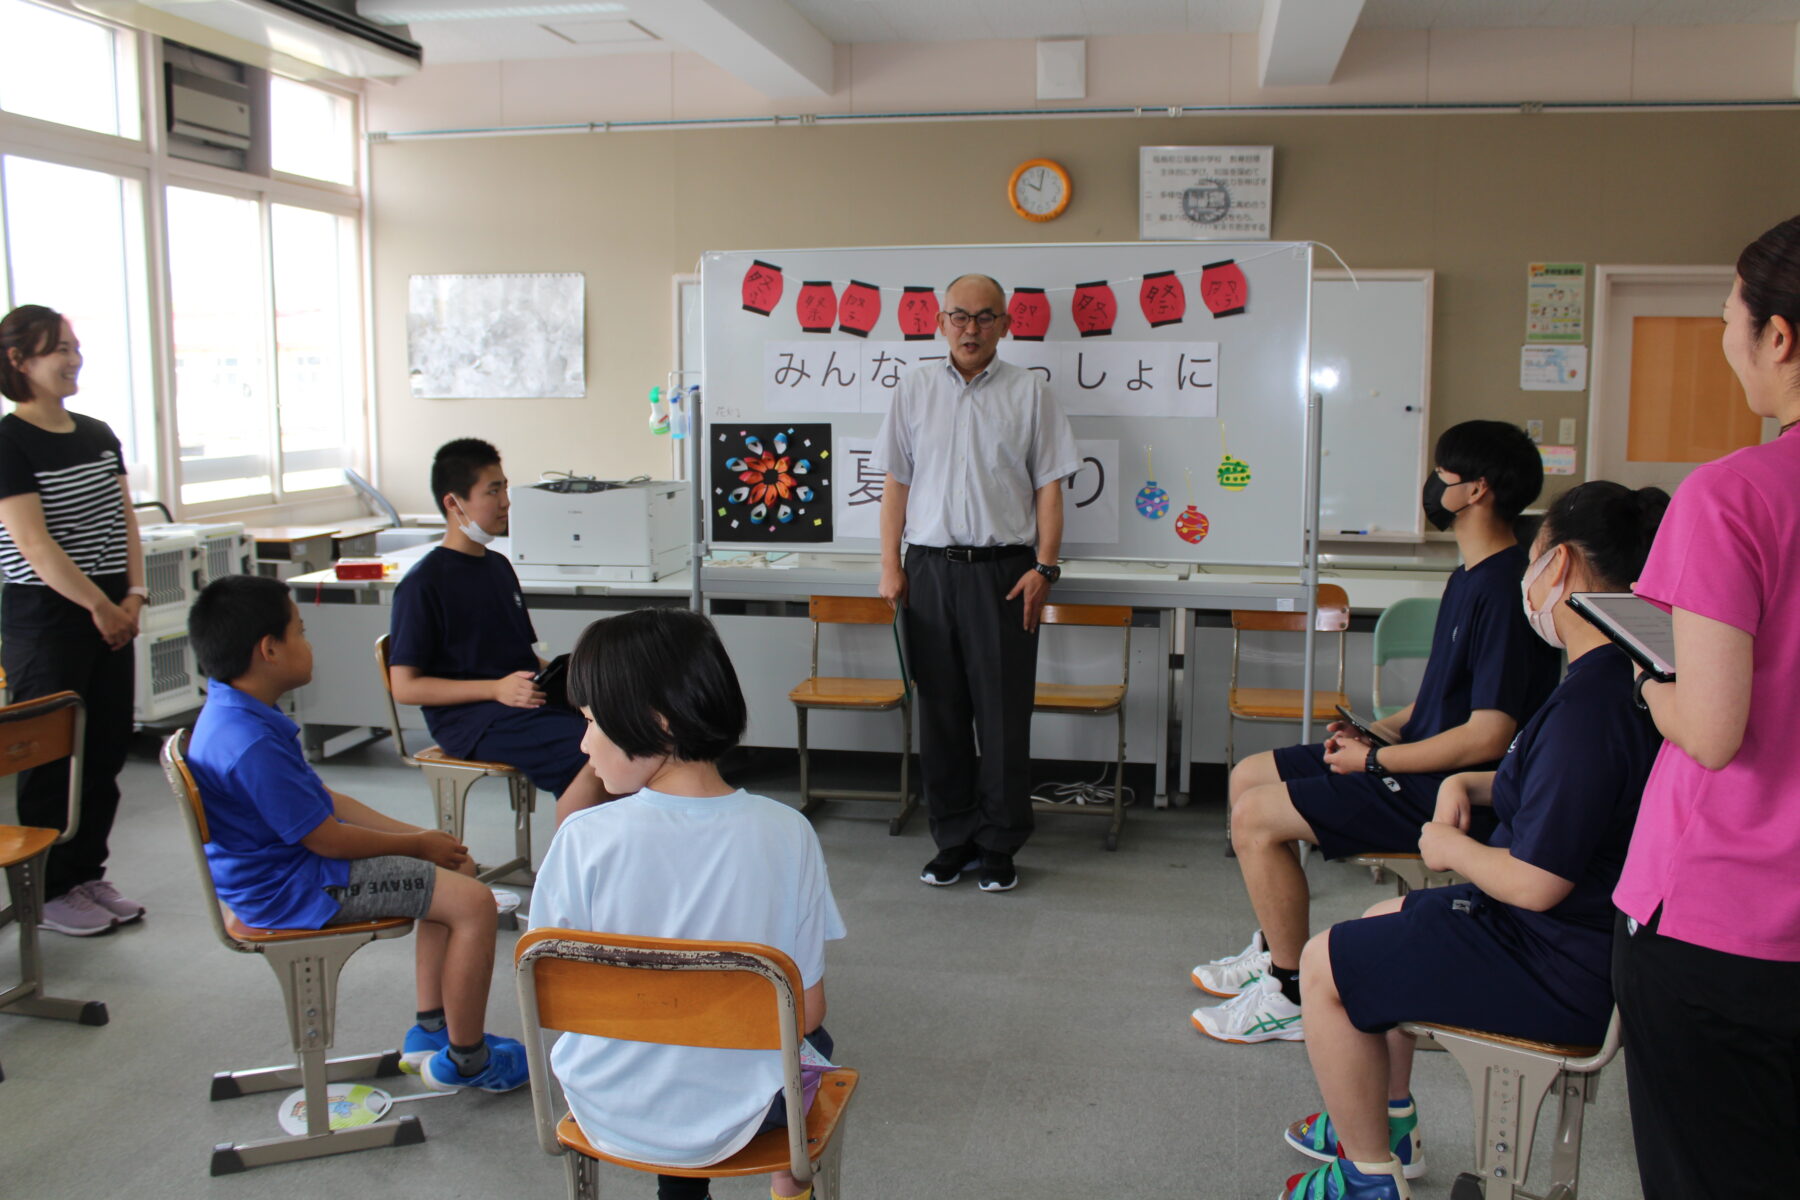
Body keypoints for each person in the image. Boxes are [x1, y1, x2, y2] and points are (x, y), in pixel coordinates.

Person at [1274, 480, 1667, 1200]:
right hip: (1566, 934)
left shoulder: (1591, 708)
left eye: (1538, 551)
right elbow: (1548, 784)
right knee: (1376, 922)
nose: (1529, 570)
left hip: (1556, 957)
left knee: (1324, 964)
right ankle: (1391, 1125)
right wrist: (1468, 786)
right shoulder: (1613, 677)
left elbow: (1535, 881)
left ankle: (1366, 1180)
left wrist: (1450, 849)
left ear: (1565, 566)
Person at [1193, 420, 1560, 1044]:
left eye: (1443, 472)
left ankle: (1287, 990)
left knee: (1256, 817)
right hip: (1415, 762)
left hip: (1450, 787)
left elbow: (1490, 734)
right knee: (1248, 776)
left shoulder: (1502, 590)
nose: (1431, 483)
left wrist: (1381, 764)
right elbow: (1440, 701)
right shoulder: (1468, 574)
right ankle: (1272, 945)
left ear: (1477, 491)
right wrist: (1375, 733)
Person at [529, 608, 845, 1200]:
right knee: (809, 1040)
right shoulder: (788, 832)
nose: (583, 742)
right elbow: (808, 1009)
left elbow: (550, 993)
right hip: (745, 1110)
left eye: (595, 722)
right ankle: (790, 1180)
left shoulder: (582, 838)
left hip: (608, 1101)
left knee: (660, 1036)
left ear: (655, 723)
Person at [1613, 214, 1800, 1200]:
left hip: (1724, 923)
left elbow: (1716, 730)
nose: (1726, 334)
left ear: (1780, 336)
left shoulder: (1735, 496)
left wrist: (1652, 684)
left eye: (1730, 310)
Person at [185, 575, 528, 1093]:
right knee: (475, 904)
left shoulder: (237, 712)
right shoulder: (248, 741)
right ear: (269, 650)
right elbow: (327, 839)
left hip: (289, 871)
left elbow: (324, 802)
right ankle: (467, 1057)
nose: (310, 643)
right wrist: (414, 845)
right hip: (296, 888)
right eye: (300, 631)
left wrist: (424, 836)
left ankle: (431, 1030)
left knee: (451, 863)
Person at [870, 273, 1080, 893]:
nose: (971, 328)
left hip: (1005, 574)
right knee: (940, 714)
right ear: (939, 321)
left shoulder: (1031, 392)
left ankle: (1000, 843)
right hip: (928, 571)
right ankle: (953, 837)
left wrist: (1044, 567)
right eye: (959, 316)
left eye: (985, 318)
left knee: (1003, 715)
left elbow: (1049, 486)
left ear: (1006, 325)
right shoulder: (912, 389)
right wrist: (890, 563)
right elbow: (896, 484)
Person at [0, 304, 146, 937]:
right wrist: (100, 606)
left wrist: (135, 594)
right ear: (18, 361)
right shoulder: (9, 441)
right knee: (51, 758)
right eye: (58, 347)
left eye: (75, 344)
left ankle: (86, 872)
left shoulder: (96, 432)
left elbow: (126, 520)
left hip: (113, 606)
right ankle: (47, 888)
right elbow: (34, 544)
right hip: (47, 617)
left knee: (105, 747)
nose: (73, 356)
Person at [388, 438, 612, 826]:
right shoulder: (423, 584)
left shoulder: (498, 567)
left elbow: (522, 657)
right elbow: (405, 687)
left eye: (505, 487)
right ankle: (567, 876)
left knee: (626, 729)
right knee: (595, 751)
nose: (506, 502)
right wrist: (494, 689)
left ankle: (613, 858)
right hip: (471, 721)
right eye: (493, 491)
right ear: (453, 503)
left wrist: (576, 680)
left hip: (523, 702)